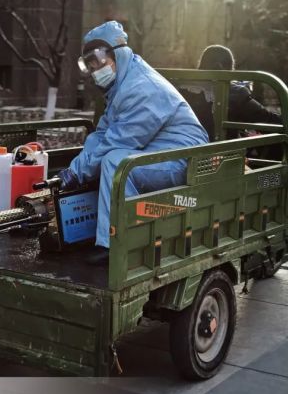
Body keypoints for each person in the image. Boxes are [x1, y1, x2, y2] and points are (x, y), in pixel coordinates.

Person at [57, 21, 208, 261]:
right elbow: (102, 134)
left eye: (99, 62)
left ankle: (118, 245)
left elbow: (119, 141)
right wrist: (74, 170)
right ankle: (104, 230)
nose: (96, 71)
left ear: (117, 54)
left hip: (183, 159)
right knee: (107, 157)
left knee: (116, 162)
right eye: (91, 65)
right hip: (158, 150)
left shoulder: (142, 88)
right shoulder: (123, 84)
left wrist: (79, 172)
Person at [184, 44, 288, 142]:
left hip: (183, 151)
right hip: (222, 159)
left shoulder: (182, 88)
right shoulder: (235, 93)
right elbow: (267, 120)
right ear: (228, 69)